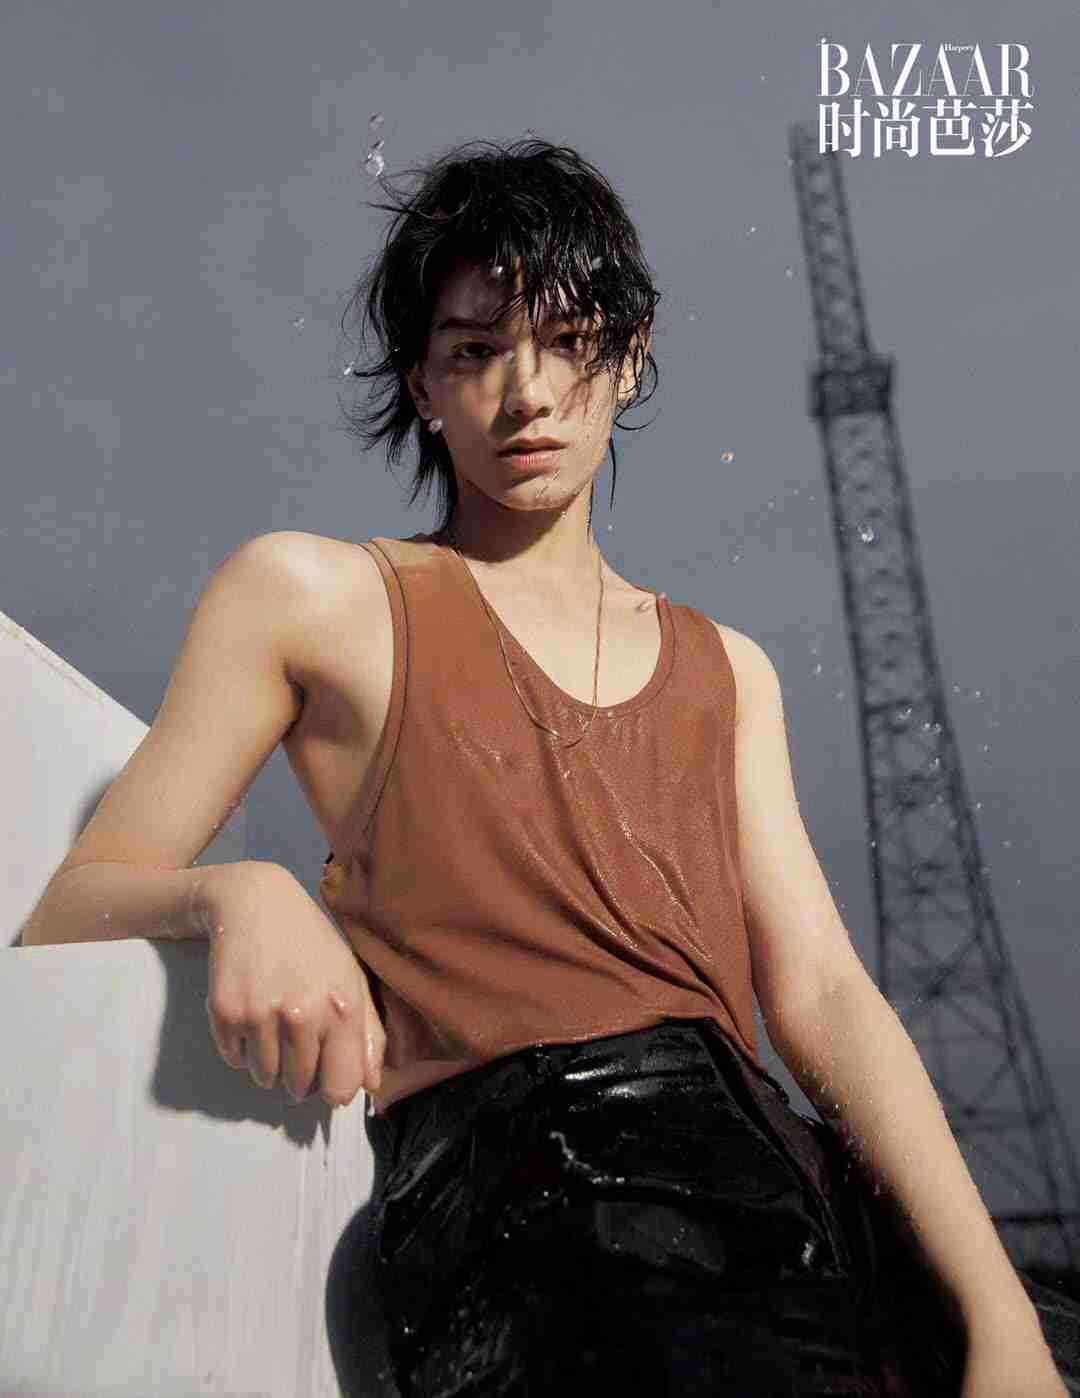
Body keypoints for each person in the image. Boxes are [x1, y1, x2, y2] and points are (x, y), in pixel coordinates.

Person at [21, 138, 1075, 1396]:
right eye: (475, 352)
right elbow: (73, 902)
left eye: (568, 342)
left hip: (775, 1195)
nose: (526, 395)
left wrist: (1000, 1321)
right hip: (536, 1211)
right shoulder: (313, 597)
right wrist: (240, 893)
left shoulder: (728, 670)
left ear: (629, 358)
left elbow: (827, 998)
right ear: (421, 383)